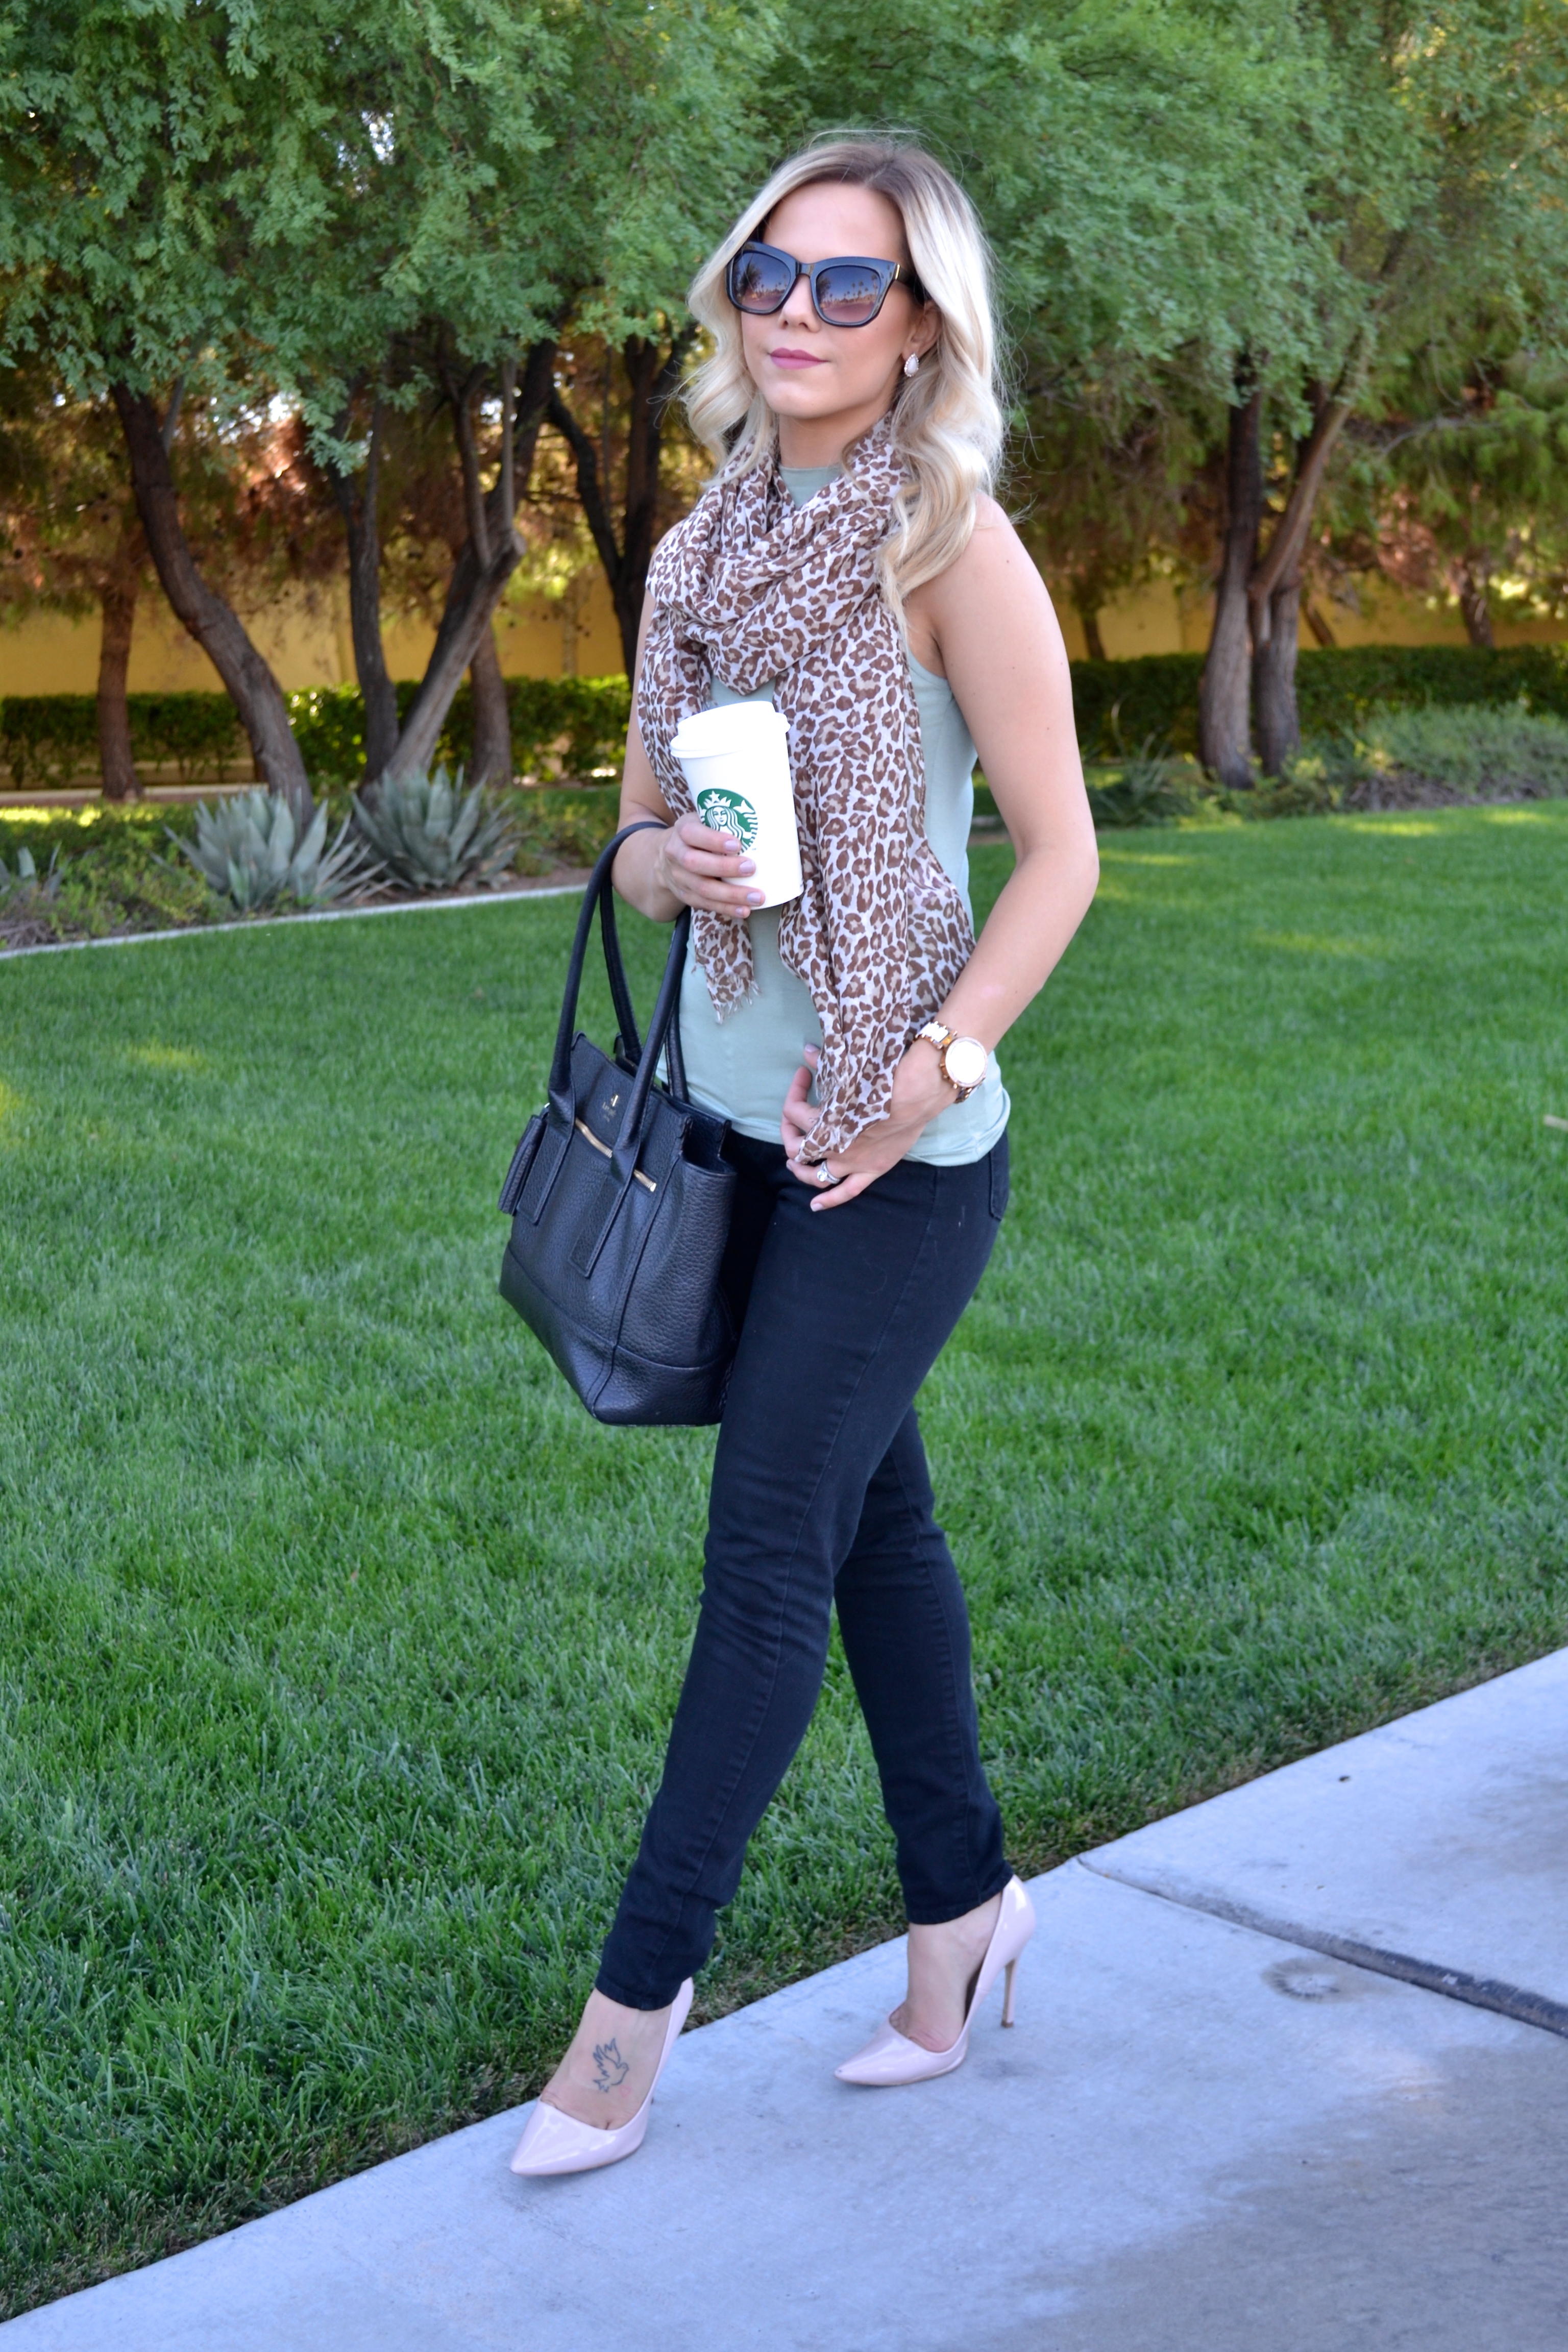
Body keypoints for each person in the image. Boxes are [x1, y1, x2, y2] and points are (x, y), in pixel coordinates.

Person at [510, 137, 1098, 2179]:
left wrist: (932, 1065)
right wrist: (661, 862)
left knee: (768, 1553)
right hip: (733, 1130)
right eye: (772, 271)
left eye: (852, 285)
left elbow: (1064, 857)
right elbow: (639, 845)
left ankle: (624, 2026)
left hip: (896, 1155)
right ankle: (966, 1918)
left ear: (921, 323)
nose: (798, 313)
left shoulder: (952, 548)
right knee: (873, 1539)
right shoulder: (698, 555)